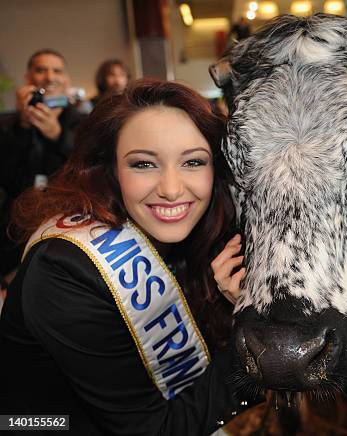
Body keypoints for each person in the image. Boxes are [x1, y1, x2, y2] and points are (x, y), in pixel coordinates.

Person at [0, 79, 255, 435]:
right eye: (143, 164)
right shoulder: (64, 274)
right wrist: (257, 342)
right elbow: (155, 429)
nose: (170, 188)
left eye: (193, 162)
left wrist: (237, 307)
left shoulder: (203, 238)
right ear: (110, 170)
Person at [0, 49, 84, 285]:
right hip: (15, 232)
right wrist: (23, 127)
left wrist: (58, 135)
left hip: (68, 227)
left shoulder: (83, 121)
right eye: (41, 70)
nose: (50, 76)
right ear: (28, 79)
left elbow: (90, 168)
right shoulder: (9, 125)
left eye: (57, 70)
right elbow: (6, 176)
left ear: (66, 79)